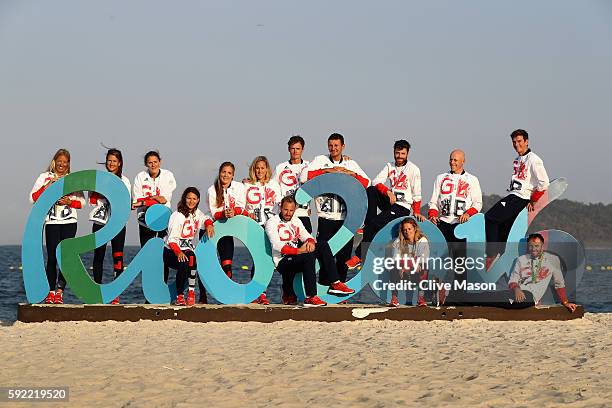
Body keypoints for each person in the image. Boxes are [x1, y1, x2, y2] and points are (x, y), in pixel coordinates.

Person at [346, 139, 423, 270]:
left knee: (374, 225)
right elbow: (376, 181)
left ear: (407, 154)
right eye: (397, 153)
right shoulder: (390, 166)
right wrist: (387, 191)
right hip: (391, 202)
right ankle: (367, 223)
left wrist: (416, 211)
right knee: (371, 190)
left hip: (402, 207)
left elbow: (417, 193)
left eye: (402, 154)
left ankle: (359, 256)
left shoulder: (413, 169)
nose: (399, 156)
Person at [265, 196, 356, 306]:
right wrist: (299, 250)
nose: (288, 213)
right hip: (283, 261)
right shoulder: (272, 222)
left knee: (322, 245)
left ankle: (335, 283)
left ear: (295, 210)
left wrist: (310, 242)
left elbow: (306, 235)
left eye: (291, 210)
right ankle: (311, 297)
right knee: (308, 256)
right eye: (285, 210)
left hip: (296, 257)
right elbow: (276, 245)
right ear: (280, 208)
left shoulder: (296, 220)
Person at [305, 133, 370, 283]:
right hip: (325, 216)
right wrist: (326, 171)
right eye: (331, 145)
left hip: (345, 219)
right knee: (323, 254)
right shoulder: (320, 160)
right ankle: (323, 288)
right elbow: (305, 176)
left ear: (343, 147)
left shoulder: (350, 163)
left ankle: (339, 290)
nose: (333, 148)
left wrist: (351, 173)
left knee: (344, 256)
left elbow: (367, 182)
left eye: (336, 145)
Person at [485, 129, 549, 269]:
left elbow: (544, 182)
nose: (516, 144)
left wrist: (533, 200)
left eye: (519, 141)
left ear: (526, 141)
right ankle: (500, 254)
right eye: (514, 142)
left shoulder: (534, 159)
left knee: (490, 217)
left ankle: (491, 254)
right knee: (503, 225)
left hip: (520, 197)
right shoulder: (517, 159)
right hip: (513, 195)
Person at [29, 149, 85, 304]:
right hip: (52, 222)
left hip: (69, 222)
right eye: (59, 161)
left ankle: (60, 291)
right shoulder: (44, 177)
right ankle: (51, 292)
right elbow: (32, 198)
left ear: (68, 165)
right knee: (52, 258)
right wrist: (47, 187)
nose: (62, 164)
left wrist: (69, 202)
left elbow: (82, 203)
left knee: (65, 259)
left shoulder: (72, 179)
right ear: (54, 161)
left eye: (65, 162)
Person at [428, 149, 482, 292]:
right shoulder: (440, 178)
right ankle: (435, 292)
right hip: (443, 224)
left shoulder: (472, 180)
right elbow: (433, 201)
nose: (452, 162)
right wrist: (433, 214)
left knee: (460, 262)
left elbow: (478, 203)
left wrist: (468, 214)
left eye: (455, 160)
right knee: (439, 260)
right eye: (451, 159)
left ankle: (460, 293)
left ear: (463, 162)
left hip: (461, 226)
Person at [88, 148, 131, 304]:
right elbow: (91, 201)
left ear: (119, 163)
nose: (111, 163)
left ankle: (115, 293)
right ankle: (97, 290)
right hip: (100, 221)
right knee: (98, 256)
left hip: (118, 223)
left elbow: (127, 203)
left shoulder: (125, 180)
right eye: (109, 160)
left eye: (114, 161)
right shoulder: (99, 178)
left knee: (117, 257)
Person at [164, 187, 214, 306]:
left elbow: (206, 218)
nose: (191, 201)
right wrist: (178, 252)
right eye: (189, 198)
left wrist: (209, 224)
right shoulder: (177, 215)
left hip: (186, 250)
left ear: (198, 200)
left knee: (191, 257)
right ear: (184, 199)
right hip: (170, 251)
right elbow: (171, 239)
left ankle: (191, 292)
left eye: (194, 199)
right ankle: (180, 295)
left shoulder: (197, 214)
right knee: (185, 260)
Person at [243, 156, 281, 304]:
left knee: (268, 260)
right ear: (254, 169)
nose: (260, 170)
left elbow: (280, 204)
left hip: (270, 225)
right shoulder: (247, 184)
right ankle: (255, 293)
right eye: (257, 168)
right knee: (256, 259)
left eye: (262, 168)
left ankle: (262, 292)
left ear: (267, 169)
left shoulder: (274, 184)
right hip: (253, 226)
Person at [206, 162, 248, 281]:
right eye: (224, 172)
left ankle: (227, 277)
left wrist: (234, 211)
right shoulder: (212, 190)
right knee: (211, 262)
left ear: (233, 175)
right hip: (216, 225)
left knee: (227, 263)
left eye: (229, 173)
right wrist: (224, 213)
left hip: (233, 224)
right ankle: (204, 292)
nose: (226, 175)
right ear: (219, 173)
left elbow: (242, 206)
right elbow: (214, 212)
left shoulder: (239, 187)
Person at [132, 151, 177, 247]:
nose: (153, 165)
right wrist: (155, 198)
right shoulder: (140, 177)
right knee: (146, 250)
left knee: (162, 250)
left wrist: (145, 201)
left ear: (160, 162)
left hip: (163, 218)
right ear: (146, 164)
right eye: (150, 162)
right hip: (144, 220)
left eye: (155, 162)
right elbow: (137, 201)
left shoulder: (168, 175)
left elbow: (163, 200)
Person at [273, 135, 312, 232]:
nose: (295, 151)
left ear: (302, 149)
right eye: (293, 148)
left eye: (298, 148)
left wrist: (344, 159)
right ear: (288, 149)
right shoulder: (280, 168)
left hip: (303, 213)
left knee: (306, 244)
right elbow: (272, 187)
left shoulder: (309, 166)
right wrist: (252, 180)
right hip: (286, 214)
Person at [389, 218, 430, 307]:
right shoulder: (398, 242)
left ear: (415, 228)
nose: (407, 232)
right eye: (404, 230)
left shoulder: (422, 240)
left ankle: (421, 298)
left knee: (424, 266)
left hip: (416, 272)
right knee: (393, 268)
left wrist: (409, 264)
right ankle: (394, 298)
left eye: (409, 229)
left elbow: (423, 258)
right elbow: (395, 259)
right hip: (403, 274)